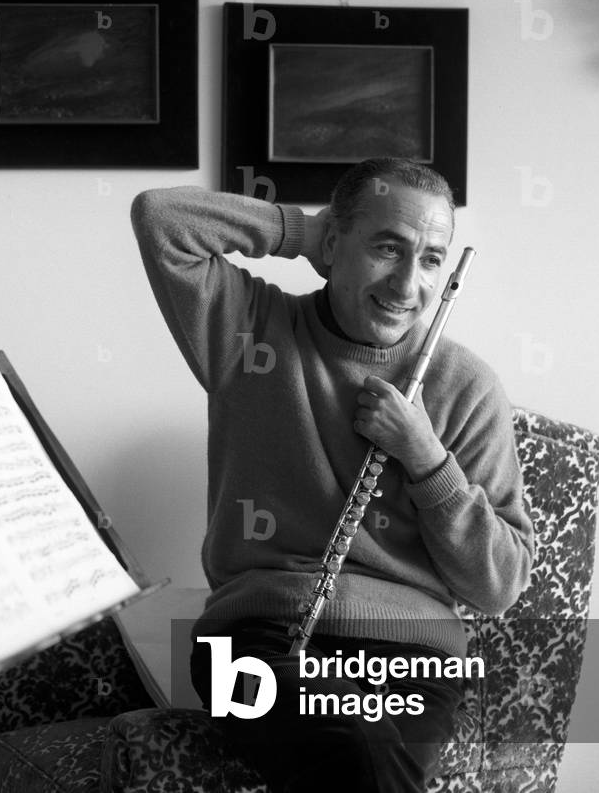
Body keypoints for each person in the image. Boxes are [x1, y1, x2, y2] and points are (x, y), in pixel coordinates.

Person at [129, 158, 534, 793]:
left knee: (367, 750)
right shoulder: (250, 334)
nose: (407, 283)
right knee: (358, 747)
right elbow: (161, 219)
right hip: (255, 636)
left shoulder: (466, 386)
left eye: (431, 259)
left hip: (414, 659)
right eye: (385, 248)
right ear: (335, 244)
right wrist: (298, 231)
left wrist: (428, 460)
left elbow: (499, 584)